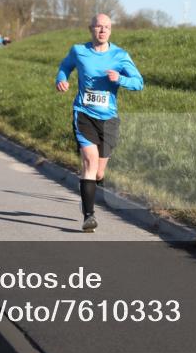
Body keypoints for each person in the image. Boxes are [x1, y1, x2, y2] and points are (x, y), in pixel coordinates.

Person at [55, 14, 144, 232]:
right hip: (84, 113)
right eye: (98, 27)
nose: (102, 30)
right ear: (90, 28)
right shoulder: (79, 51)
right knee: (89, 161)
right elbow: (65, 66)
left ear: (111, 31)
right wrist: (61, 79)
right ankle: (89, 216)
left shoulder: (120, 56)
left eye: (106, 27)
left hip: (109, 118)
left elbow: (139, 83)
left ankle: (88, 195)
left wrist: (120, 79)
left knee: (98, 173)